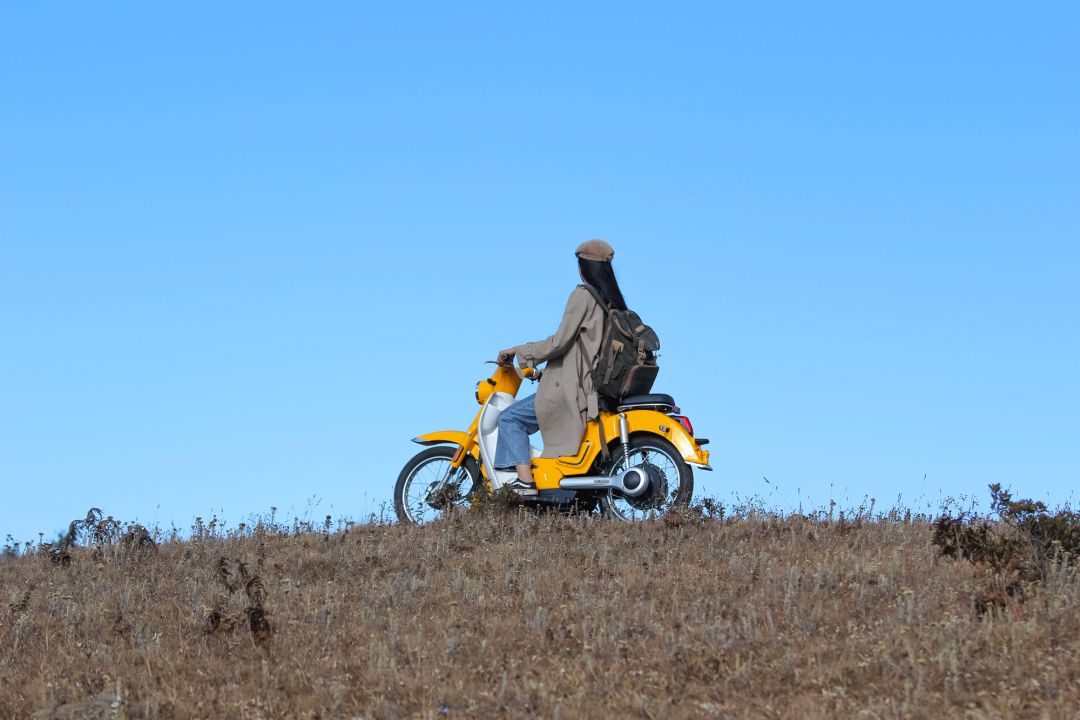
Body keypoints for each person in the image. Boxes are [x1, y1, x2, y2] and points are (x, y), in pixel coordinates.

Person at [495, 239, 628, 495]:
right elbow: (581, 350)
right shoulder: (612, 301)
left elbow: (560, 342)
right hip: (590, 384)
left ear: (583, 268)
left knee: (510, 418)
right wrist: (544, 373)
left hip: (572, 388)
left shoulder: (583, 295)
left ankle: (525, 482)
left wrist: (520, 351)